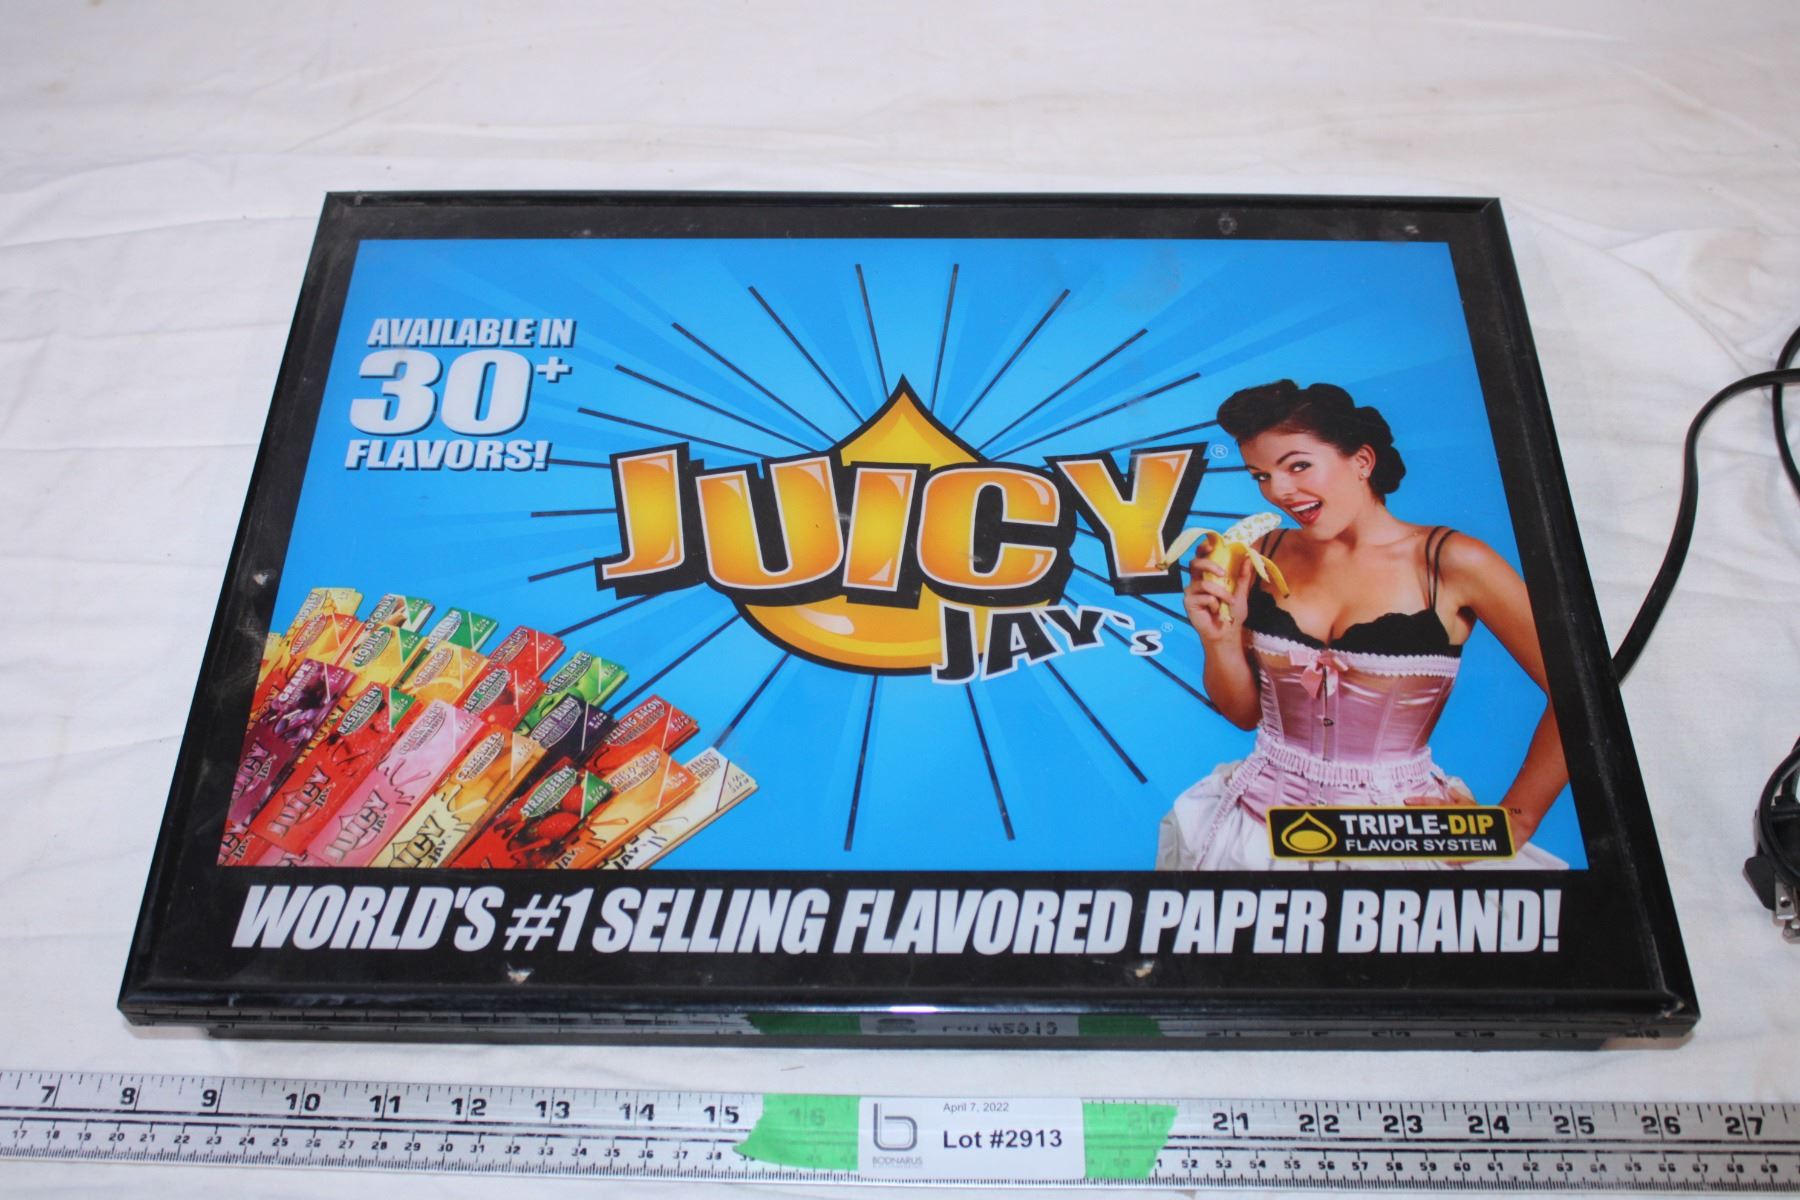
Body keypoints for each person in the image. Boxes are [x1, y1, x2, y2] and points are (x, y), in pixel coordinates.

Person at [1156, 380, 1568, 871]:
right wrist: (1220, 640)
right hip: (1253, 834)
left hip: (1400, 840)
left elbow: (1577, 693)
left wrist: (1515, 819)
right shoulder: (1262, 555)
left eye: (1298, 465)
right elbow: (1245, 716)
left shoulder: (1452, 562)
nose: (1279, 491)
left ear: (1362, 461)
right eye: (1261, 475)